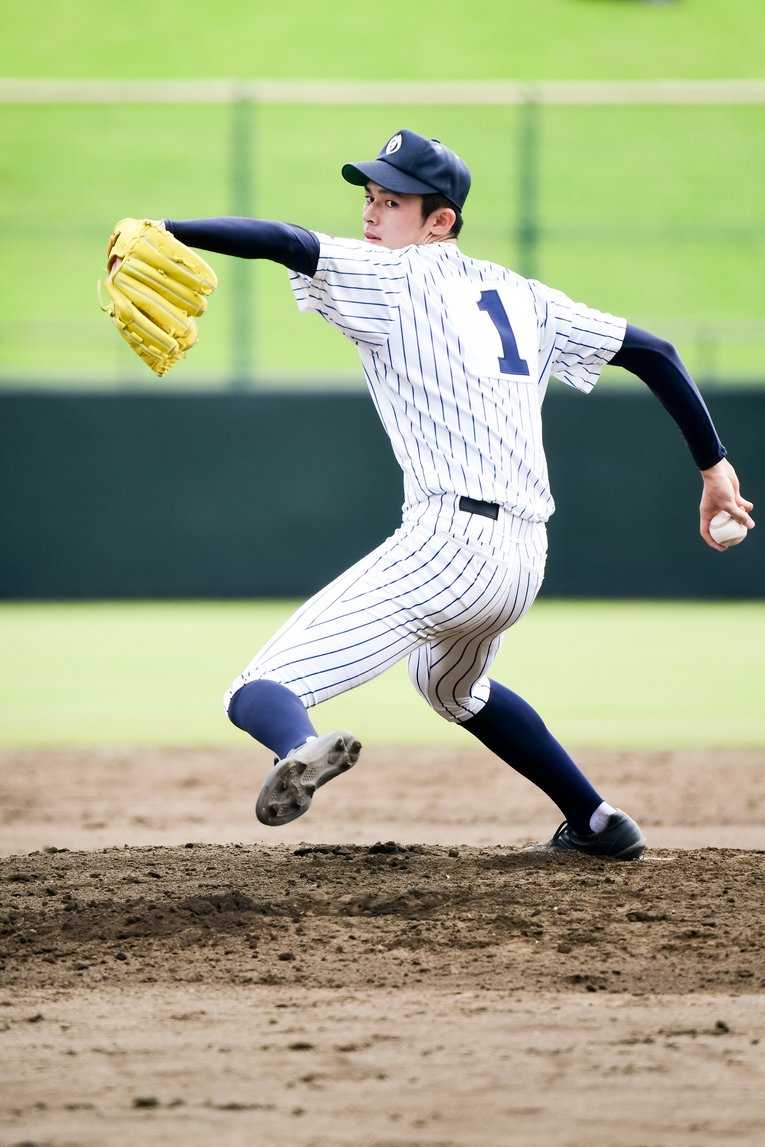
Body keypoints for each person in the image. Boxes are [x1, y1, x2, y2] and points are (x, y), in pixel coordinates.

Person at [163, 128, 754, 860]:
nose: (372, 214)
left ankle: (298, 749)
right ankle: (599, 823)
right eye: (369, 198)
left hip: (446, 545)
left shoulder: (389, 277)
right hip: (521, 561)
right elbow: (655, 354)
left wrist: (168, 231)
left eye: (393, 201)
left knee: (258, 688)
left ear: (440, 221)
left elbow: (284, 240)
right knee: (452, 690)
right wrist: (714, 468)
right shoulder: (524, 296)